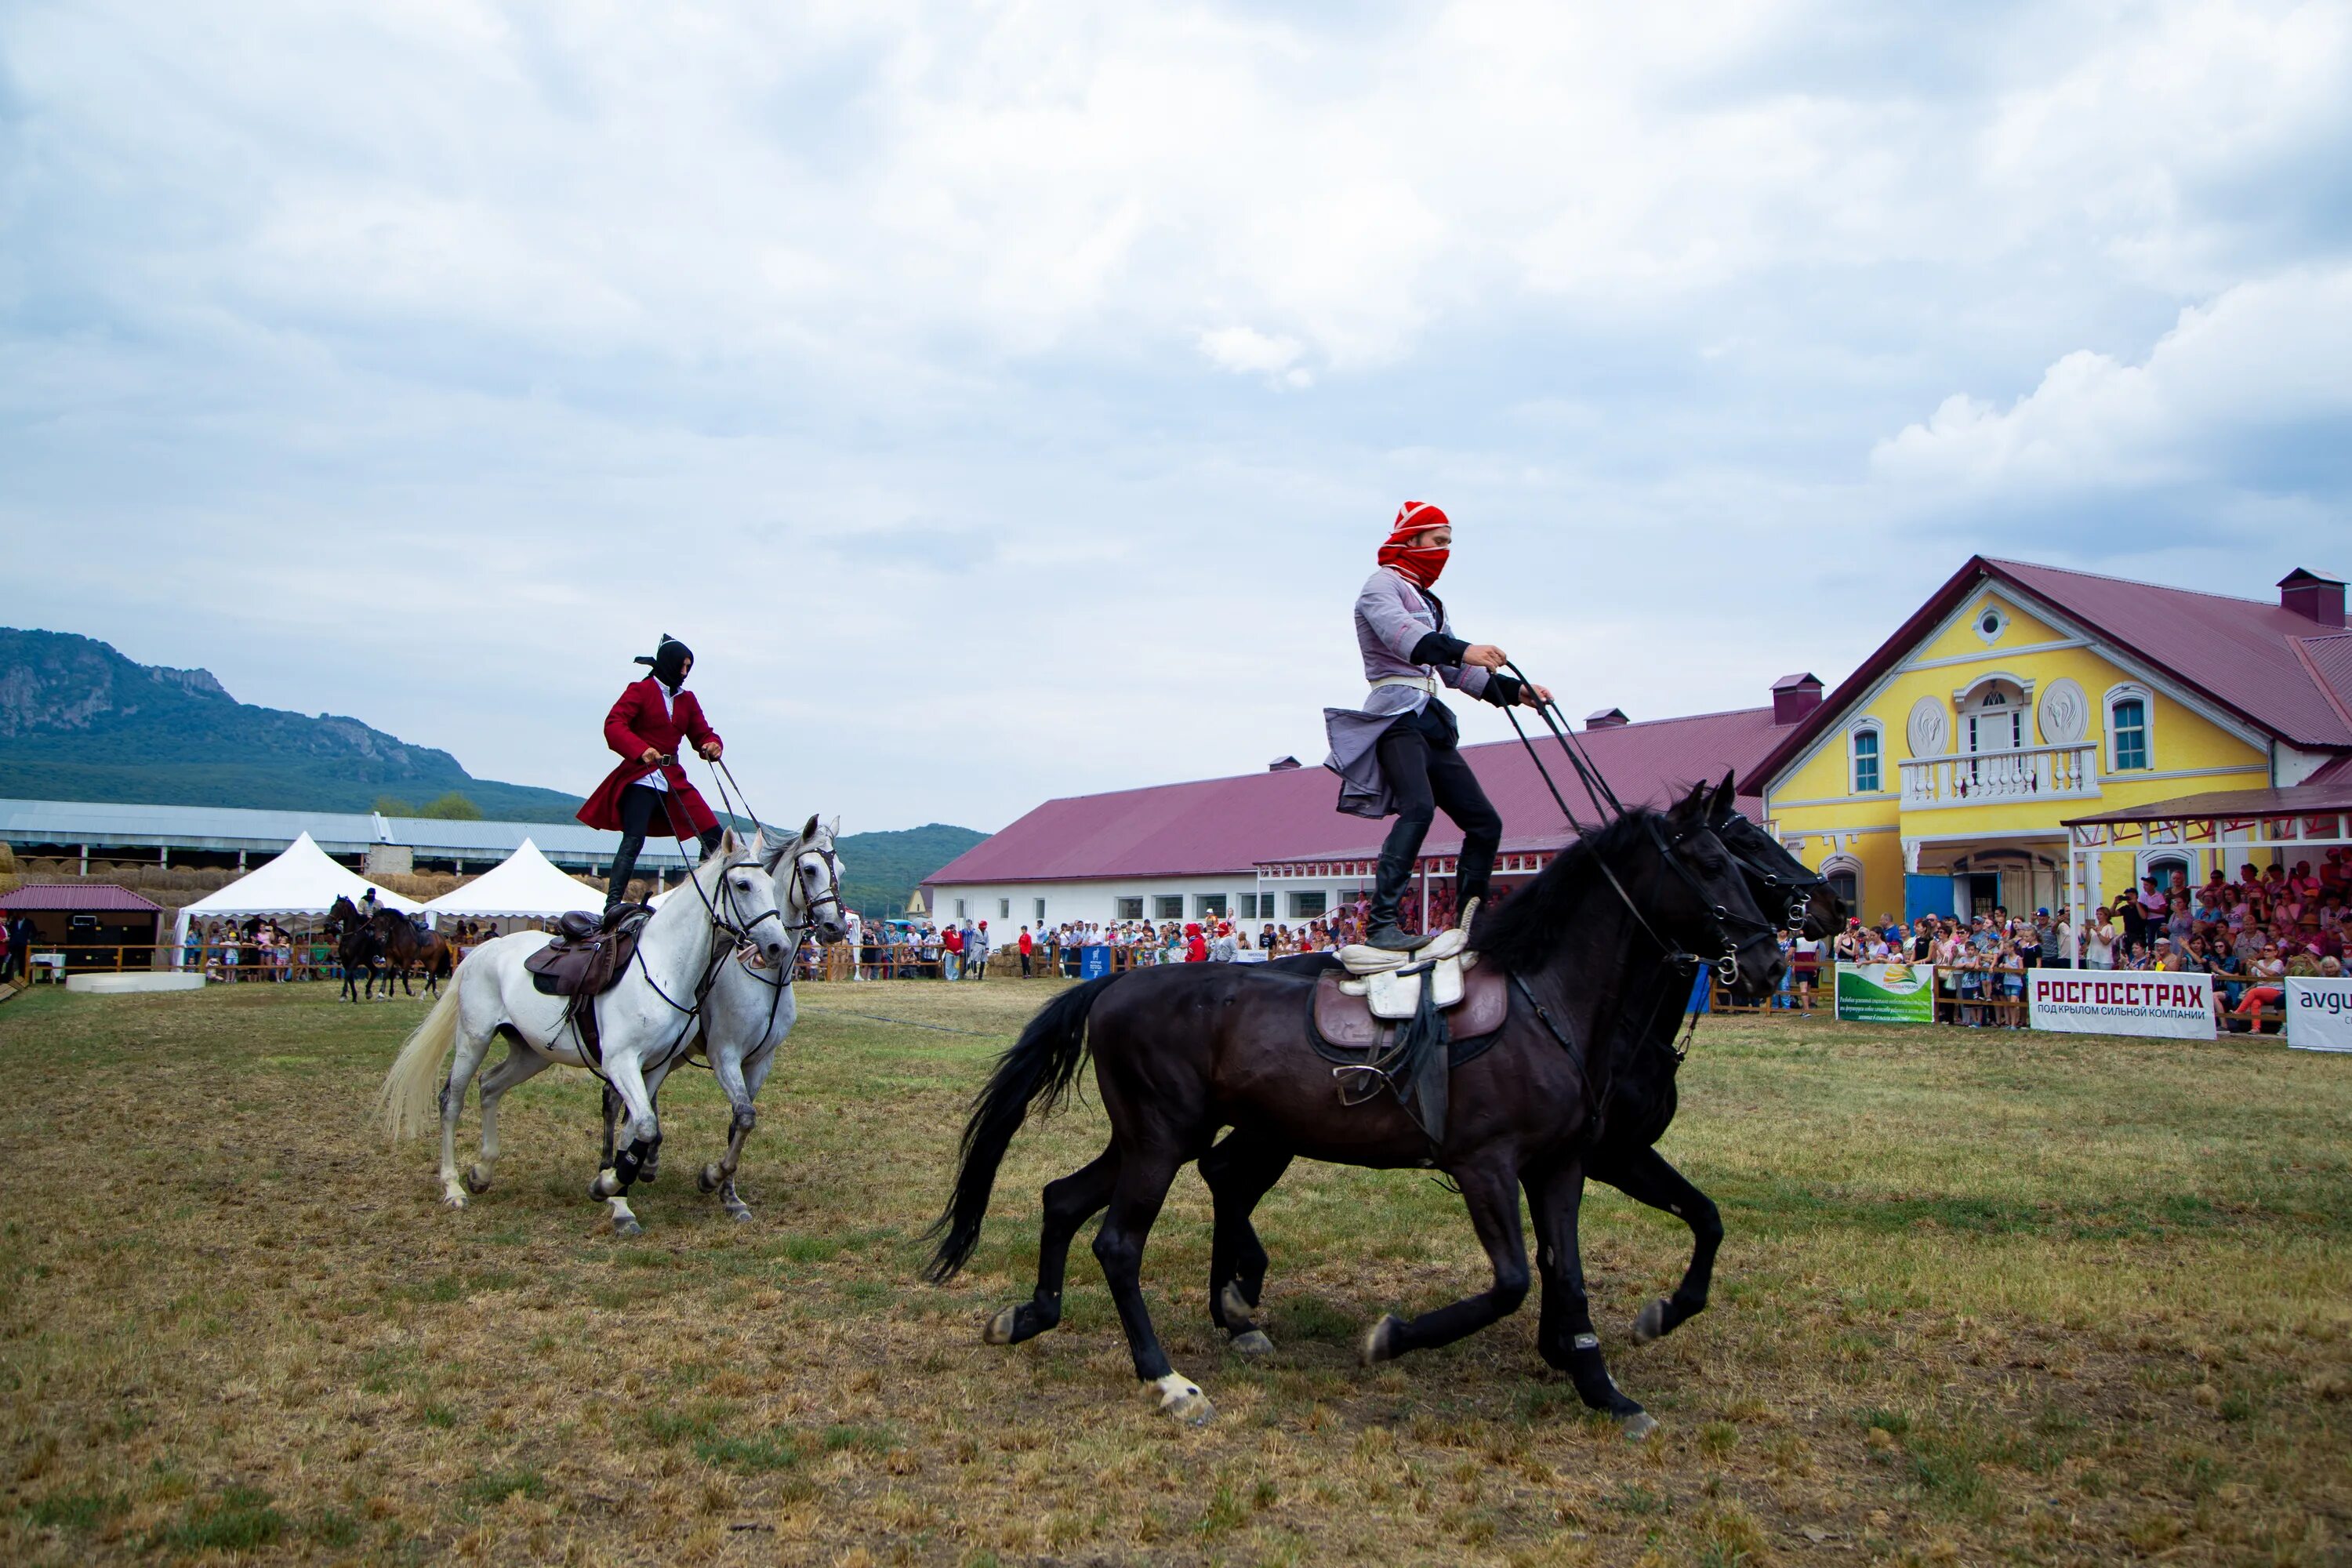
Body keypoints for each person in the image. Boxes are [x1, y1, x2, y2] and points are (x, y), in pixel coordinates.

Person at [1322, 502, 1552, 951]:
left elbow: (1457, 672)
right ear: (1412, 541)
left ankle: (1470, 925)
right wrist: (1466, 649)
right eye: (1439, 542)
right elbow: (1405, 639)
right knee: (1419, 808)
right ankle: (1381, 925)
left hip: (1429, 720)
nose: (1445, 552)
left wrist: (1516, 693)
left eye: (1449, 543)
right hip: (1394, 717)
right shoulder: (1380, 586)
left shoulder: (1430, 600)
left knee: (1485, 823)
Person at [576, 634, 728, 917]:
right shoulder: (641, 690)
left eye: (688, 668)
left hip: (673, 777)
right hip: (641, 775)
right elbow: (614, 725)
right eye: (681, 667)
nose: (684, 674)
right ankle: (612, 905)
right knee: (633, 840)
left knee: (714, 838)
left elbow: (701, 732)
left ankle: (698, 898)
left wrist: (711, 743)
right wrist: (640, 748)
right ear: (667, 664)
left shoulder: (687, 700)